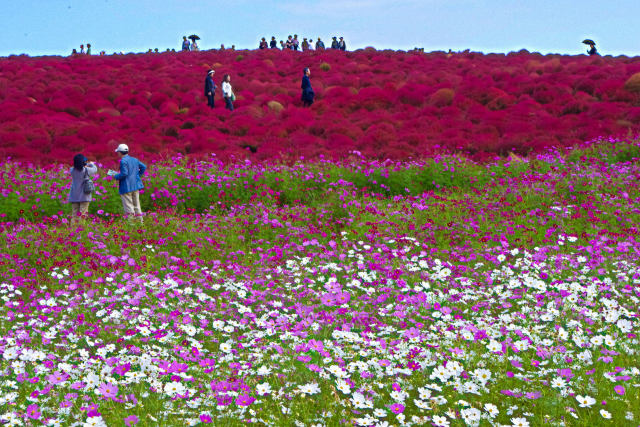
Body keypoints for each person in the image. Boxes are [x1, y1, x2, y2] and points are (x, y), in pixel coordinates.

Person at [108, 144, 146, 222]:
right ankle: (140, 223)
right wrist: (137, 175)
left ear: (120, 152)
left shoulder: (123, 161)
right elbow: (143, 167)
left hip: (126, 187)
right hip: (135, 185)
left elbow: (124, 173)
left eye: (118, 152)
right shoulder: (134, 159)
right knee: (137, 205)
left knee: (129, 207)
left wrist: (115, 176)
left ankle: (131, 225)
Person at [68, 154, 97, 225]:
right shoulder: (86, 170)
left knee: (74, 214)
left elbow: (76, 167)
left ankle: (73, 230)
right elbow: (95, 169)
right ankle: (81, 229)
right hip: (84, 196)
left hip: (74, 196)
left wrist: (84, 164)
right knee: (83, 214)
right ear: (83, 162)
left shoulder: (72, 170)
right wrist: (91, 164)